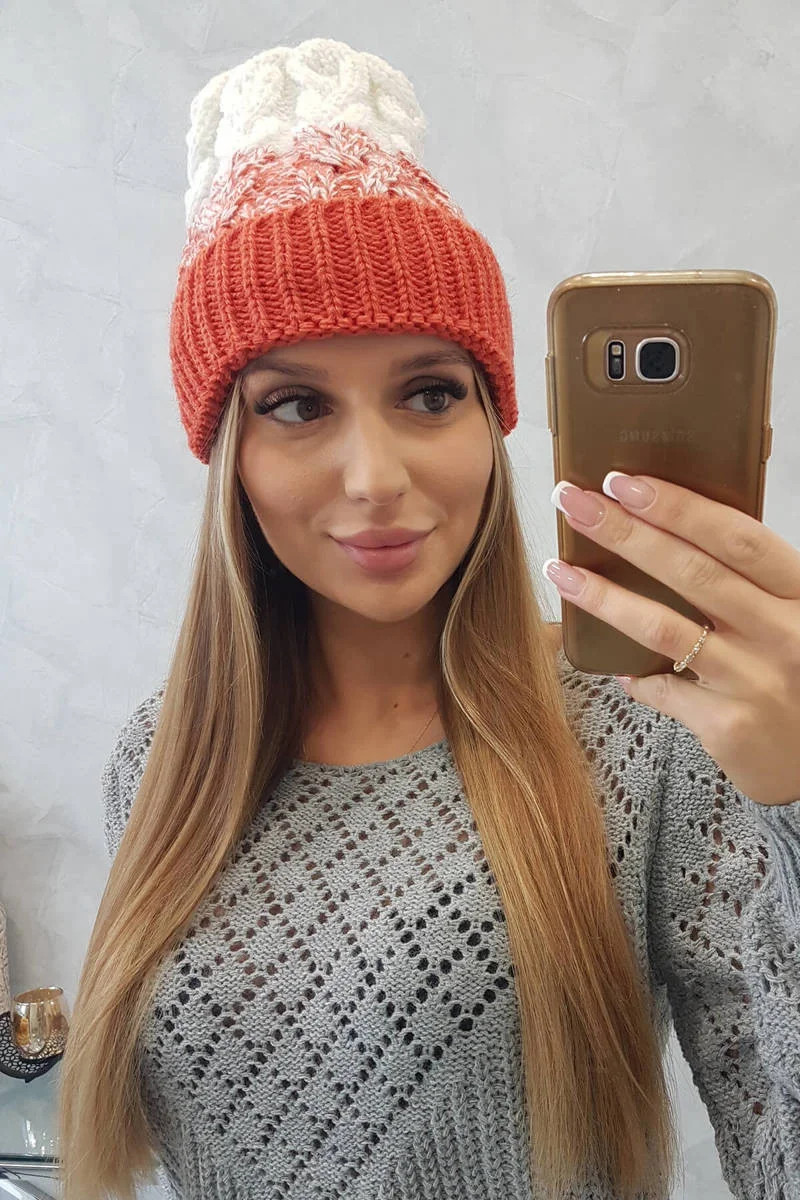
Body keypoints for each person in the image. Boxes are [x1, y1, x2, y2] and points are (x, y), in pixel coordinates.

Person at [58, 37, 800, 1200]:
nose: (374, 478)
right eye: (294, 405)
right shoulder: (156, 763)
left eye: (428, 393)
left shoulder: (644, 732)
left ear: (492, 421)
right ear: (226, 453)